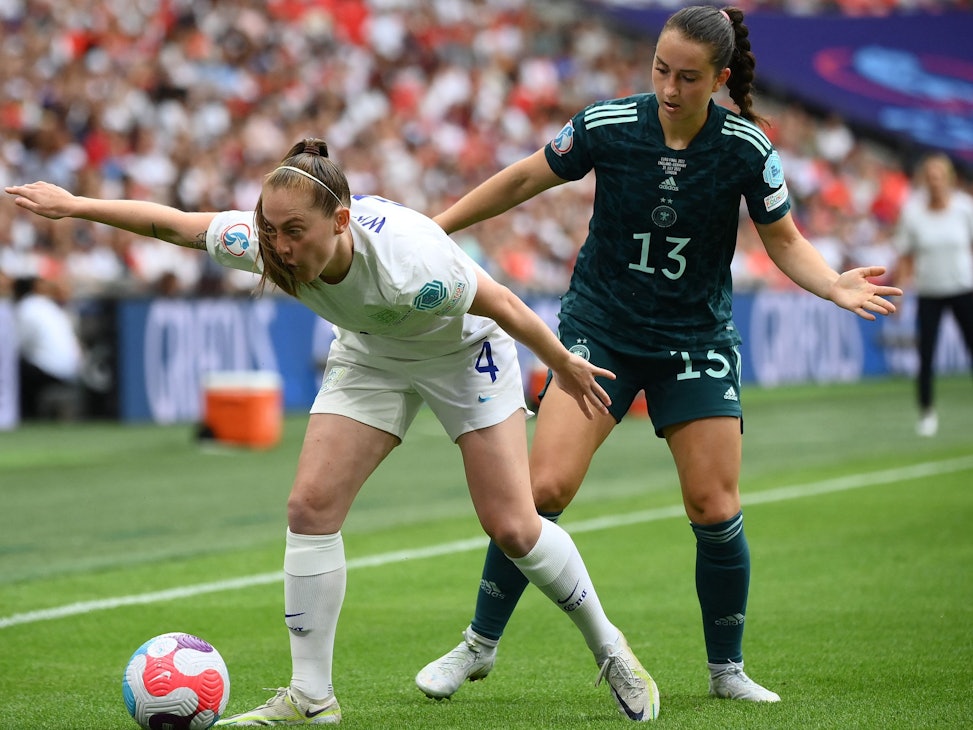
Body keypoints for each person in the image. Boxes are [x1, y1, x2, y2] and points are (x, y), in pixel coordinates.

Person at [6, 137, 661, 725]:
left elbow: (505, 304)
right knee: (310, 507)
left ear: (341, 222)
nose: (281, 247)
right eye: (270, 230)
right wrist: (75, 205)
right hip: (372, 353)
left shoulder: (413, 262)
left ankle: (609, 647)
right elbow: (174, 224)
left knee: (514, 527)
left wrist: (562, 364)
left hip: (463, 355)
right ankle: (311, 697)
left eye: (295, 231)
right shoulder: (265, 244)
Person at [413, 4, 902, 706]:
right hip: (599, 331)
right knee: (542, 490)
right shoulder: (608, 125)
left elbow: (785, 240)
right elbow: (525, 178)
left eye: (689, 77)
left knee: (712, 504)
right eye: (661, 71)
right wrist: (437, 228)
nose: (670, 88)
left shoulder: (745, 148)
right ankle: (477, 646)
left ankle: (725, 671)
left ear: (719, 79)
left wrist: (831, 284)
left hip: (694, 340)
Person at [893, 152, 973, 437]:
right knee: (926, 355)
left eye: (940, 176)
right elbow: (905, 255)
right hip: (929, 291)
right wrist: (900, 293)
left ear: (949, 178)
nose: (935, 181)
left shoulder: (965, 208)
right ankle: (926, 412)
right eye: (930, 176)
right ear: (925, 180)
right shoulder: (913, 212)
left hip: (963, 288)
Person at [13, 275, 85, 420]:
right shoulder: (49, 305)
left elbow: (17, 345)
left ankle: (23, 416)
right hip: (72, 369)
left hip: (50, 371)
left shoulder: (26, 308)